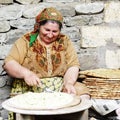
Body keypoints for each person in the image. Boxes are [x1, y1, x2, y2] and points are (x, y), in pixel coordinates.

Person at [3, 7, 90, 120]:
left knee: (83, 96)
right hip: (33, 86)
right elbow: (9, 63)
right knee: (29, 107)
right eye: (47, 30)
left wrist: (68, 83)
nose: (50, 35)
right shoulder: (26, 40)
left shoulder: (64, 41)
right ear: (39, 27)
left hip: (59, 84)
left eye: (55, 31)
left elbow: (73, 65)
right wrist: (26, 74)